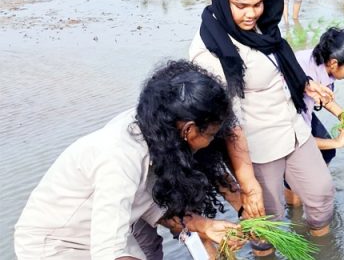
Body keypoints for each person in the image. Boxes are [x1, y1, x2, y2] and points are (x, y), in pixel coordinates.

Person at [14, 60, 246, 259]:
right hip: (57, 243)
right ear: (189, 130)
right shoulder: (121, 157)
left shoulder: (159, 128)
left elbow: (149, 198)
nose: (212, 141)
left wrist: (204, 226)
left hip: (103, 229)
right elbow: (108, 250)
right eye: (212, 135)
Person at [189, 0, 335, 256]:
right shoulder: (210, 53)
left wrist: (306, 83)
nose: (251, 13)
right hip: (256, 144)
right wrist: (246, 182)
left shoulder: (264, 26)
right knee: (267, 221)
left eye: (257, 4)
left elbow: (279, 62)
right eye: (241, 5)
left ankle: (327, 249)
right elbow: (228, 122)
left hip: (293, 128)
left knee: (321, 194)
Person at [286, 28, 344, 205]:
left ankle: (312, 183)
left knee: (327, 151)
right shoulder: (300, 69)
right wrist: (337, 142)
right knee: (294, 171)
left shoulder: (322, 64)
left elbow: (324, 98)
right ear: (333, 63)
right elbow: (295, 138)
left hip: (302, 112)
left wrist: (342, 116)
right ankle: (295, 208)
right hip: (284, 122)